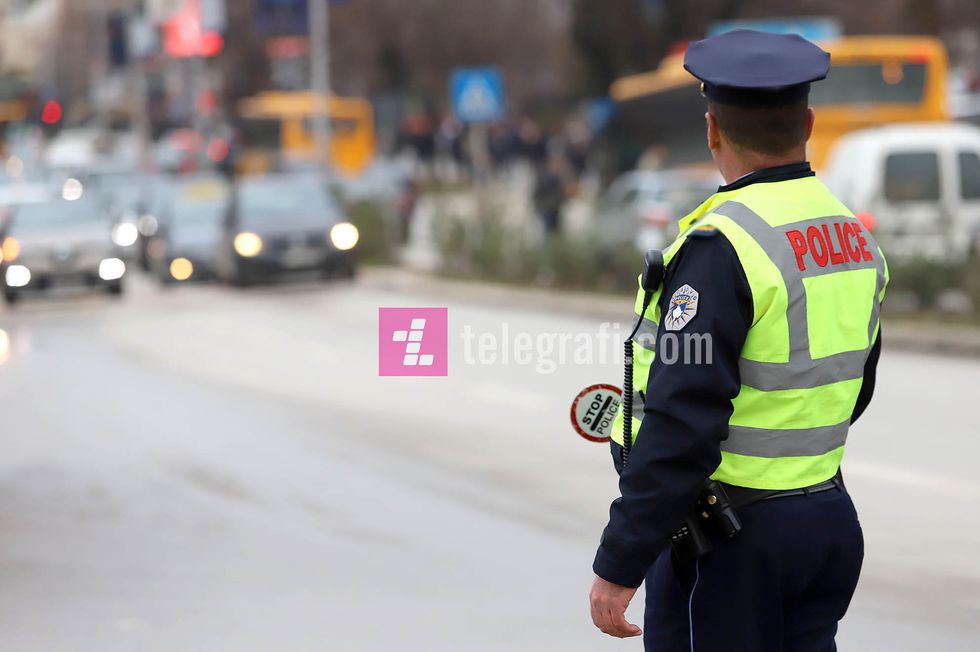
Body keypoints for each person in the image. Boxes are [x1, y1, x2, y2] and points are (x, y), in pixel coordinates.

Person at [588, 30, 888, 651]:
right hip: (829, 522)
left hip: (735, 539)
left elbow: (680, 421)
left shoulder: (723, 249)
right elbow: (851, 389)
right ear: (807, 121)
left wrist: (620, 562)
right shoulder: (854, 239)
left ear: (711, 130)